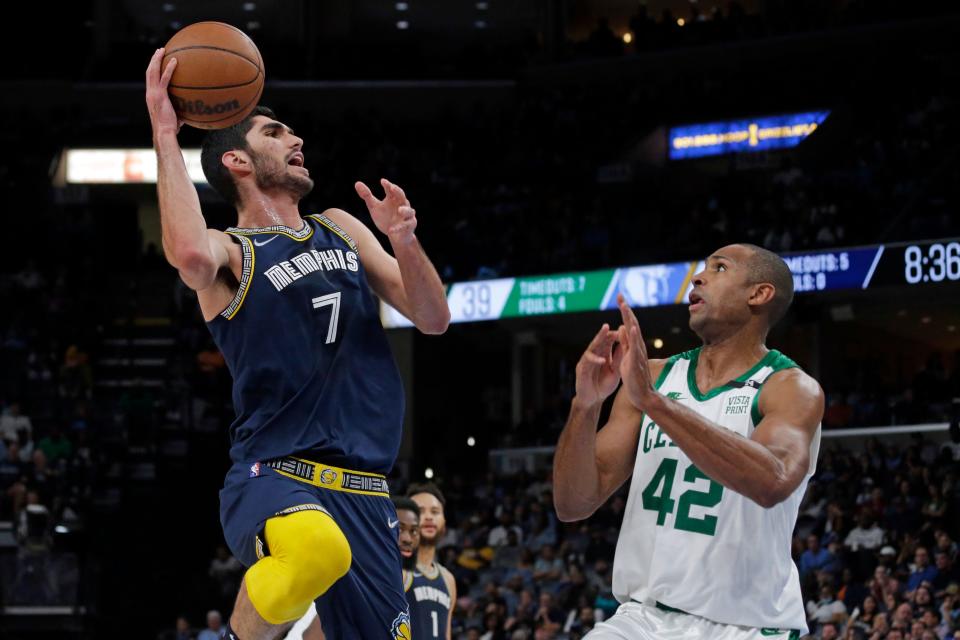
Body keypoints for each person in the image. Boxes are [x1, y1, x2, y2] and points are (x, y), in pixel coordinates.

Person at [145, 48, 450, 640]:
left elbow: (433, 317)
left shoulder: (341, 224)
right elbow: (186, 255)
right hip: (276, 474)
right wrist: (164, 130)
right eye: (274, 131)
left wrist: (405, 242)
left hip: (367, 491)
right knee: (315, 551)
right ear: (236, 159)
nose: (295, 137)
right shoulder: (231, 250)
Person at [554, 244, 824, 639]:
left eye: (718, 268)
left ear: (759, 294)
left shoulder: (789, 387)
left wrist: (654, 403)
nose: (698, 278)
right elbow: (572, 503)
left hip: (747, 625)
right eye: (701, 269)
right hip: (643, 619)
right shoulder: (654, 376)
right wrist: (586, 404)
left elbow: (773, 481)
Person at [408, 483, 457, 639]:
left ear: (444, 521)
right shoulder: (396, 570)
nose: (429, 516)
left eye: (435, 512)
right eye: (420, 511)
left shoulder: (448, 580)